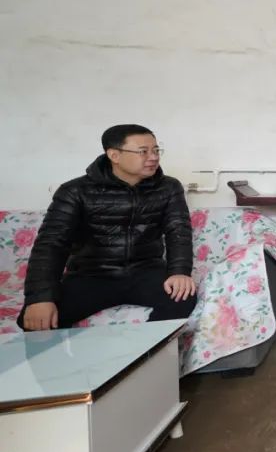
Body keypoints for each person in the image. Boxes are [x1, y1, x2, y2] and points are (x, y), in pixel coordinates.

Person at [18, 124, 196, 331]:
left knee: (183, 298)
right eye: (143, 151)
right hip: (90, 276)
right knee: (36, 320)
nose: (153, 157)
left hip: (147, 271)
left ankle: (144, 350)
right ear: (114, 155)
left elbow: (178, 231)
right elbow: (51, 244)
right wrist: (40, 297)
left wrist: (179, 272)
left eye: (156, 150)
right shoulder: (75, 191)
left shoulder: (169, 187)